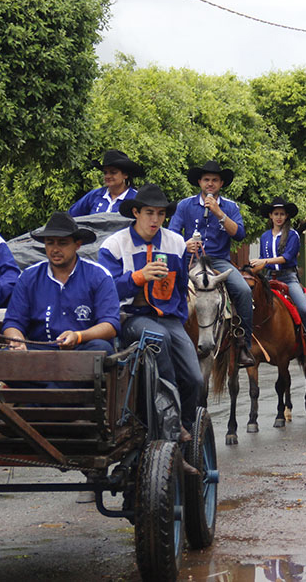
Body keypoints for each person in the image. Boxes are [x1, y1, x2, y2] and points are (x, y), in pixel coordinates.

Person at [98, 184, 204, 435]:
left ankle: (187, 427)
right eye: (149, 213)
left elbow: (180, 288)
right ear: (135, 212)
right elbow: (106, 292)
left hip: (168, 318)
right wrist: (137, 277)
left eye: (160, 214)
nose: (155, 220)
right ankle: (172, 424)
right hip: (130, 318)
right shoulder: (113, 245)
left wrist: (178, 317)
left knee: (195, 378)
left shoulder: (175, 242)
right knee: (159, 337)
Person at [169, 160, 255, 368]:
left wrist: (219, 213)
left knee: (244, 291)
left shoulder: (230, 207)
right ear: (199, 182)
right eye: (206, 180)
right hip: (191, 260)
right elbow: (171, 233)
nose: (210, 184)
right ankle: (170, 338)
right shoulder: (184, 205)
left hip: (218, 262)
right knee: (168, 287)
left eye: (214, 180)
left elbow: (239, 234)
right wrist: (184, 244)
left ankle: (243, 344)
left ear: (221, 184)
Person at [3, 212, 119, 354]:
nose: (55, 249)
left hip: (82, 347)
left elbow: (110, 325)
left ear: (77, 245)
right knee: (7, 352)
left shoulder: (99, 275)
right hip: (40, 348)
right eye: (50, 243)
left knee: (101, 348)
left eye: (62, 243)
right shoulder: (28, 276)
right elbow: (13, 322)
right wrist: (16, 340)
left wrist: (78, 336)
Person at [251, 196, 306, 364]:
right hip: (268, 278)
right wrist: (251, 268)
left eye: (282, 214)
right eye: (275, 213)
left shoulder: (293, 235)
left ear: (286, 216)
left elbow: (287, 257)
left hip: (288, 278)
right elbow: (263, 260)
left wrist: (264, 261)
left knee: (304, 310)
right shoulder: (264, 237)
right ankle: (248, 345)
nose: (278, 217)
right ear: (270, 215)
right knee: (251, 304)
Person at [68, 150, 142, 217]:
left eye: (113, 172)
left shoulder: (135, 199)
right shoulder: (95, 195)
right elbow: (71, 216)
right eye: (105, 173)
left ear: (125, 175)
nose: (108, 176)